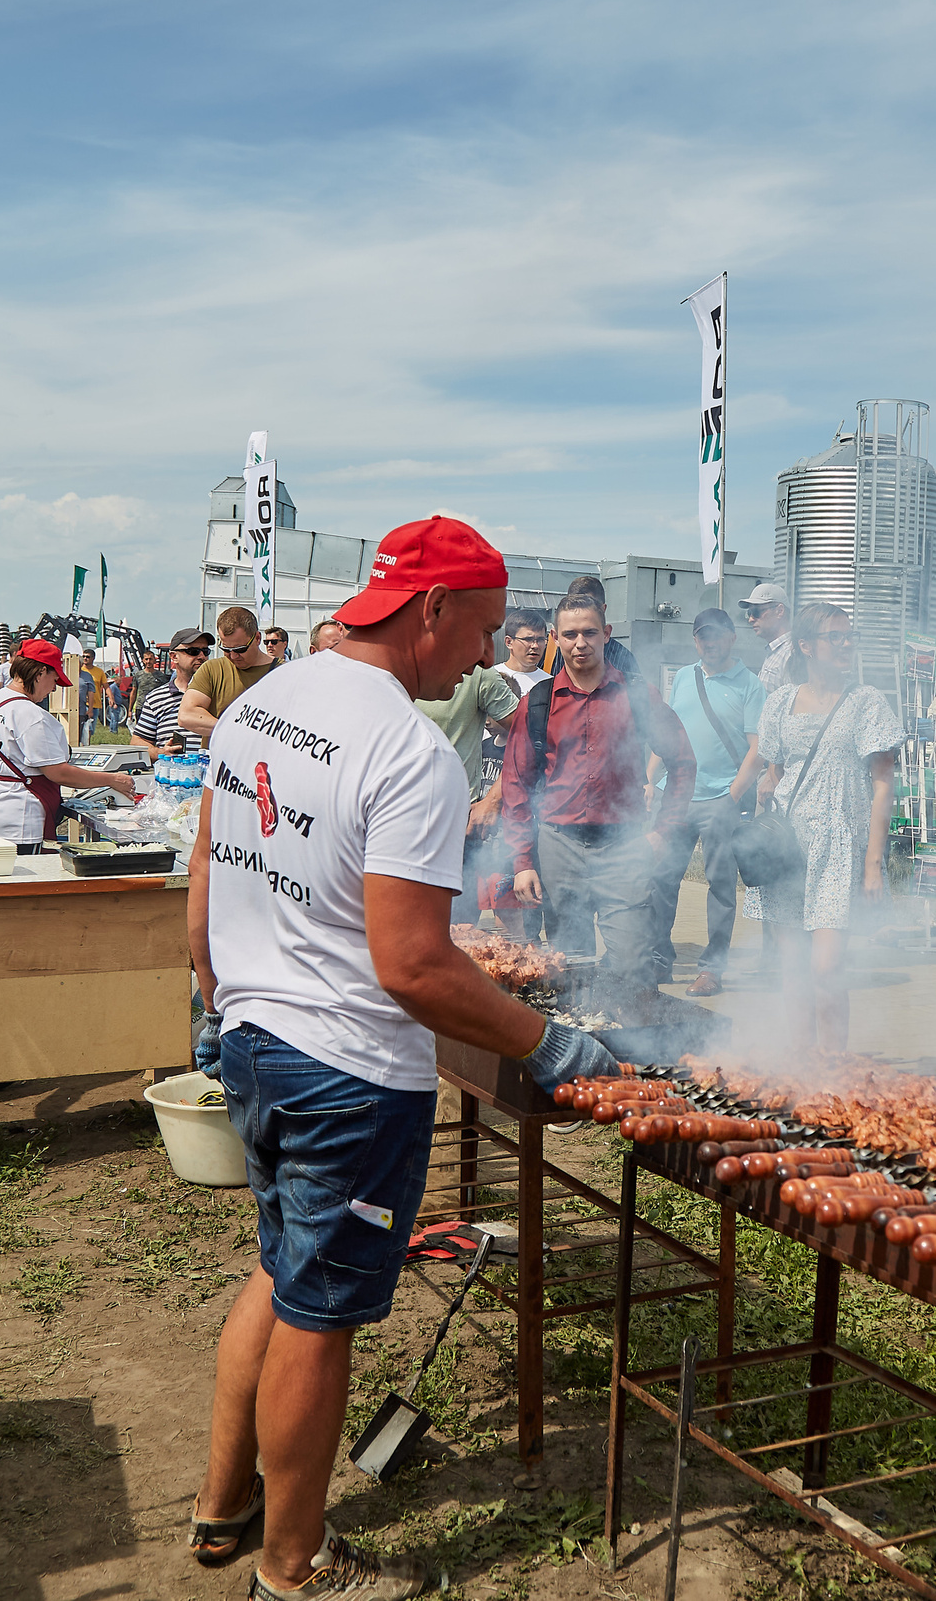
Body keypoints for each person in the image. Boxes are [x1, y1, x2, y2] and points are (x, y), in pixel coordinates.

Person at [183, 517, 614, 1597]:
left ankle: (223, 1503)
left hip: (255, 1042)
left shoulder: (262, 702)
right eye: (481, 629)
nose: (487, 655)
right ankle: (293, 1567)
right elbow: (414, 966)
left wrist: (216, 993)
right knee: (319, 1317)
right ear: (431, 609)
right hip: (346, 1077)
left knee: (281, 1270)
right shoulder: (410, 751)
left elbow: (207, 874)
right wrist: (548, 1040)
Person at [727, 603, 902, 1049]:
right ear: (806, 645)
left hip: (839, 846)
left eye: (849, 636)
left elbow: (884, 786)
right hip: (788, 848)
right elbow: (775, 771)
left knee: (826, 969)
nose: (845, 644)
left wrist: (873, 863)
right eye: (834, 637)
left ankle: (834, 1068)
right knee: (793, 970)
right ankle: (802, 1067)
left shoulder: (866, 702)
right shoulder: (781, 701)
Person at [501, 594, 694, 970]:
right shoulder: (538, 702)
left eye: (589, 633)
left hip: (624, 846)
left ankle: (625, 1008)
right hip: (558, 848)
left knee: (632, 961)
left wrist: (662, 833)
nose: (580, 643)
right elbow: (516, 786)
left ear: (606, 634)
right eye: (570, 634)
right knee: (568, 964)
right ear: (556, 637)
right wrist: (522, 862)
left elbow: (683, 764)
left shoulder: (638, 696)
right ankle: (579, 1012)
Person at [655, 608, 767, 996]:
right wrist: (649, 780)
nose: (710, 642)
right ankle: (658, 959)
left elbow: (758, 749)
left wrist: (731, 798)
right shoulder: (684, 677)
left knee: (720, 887)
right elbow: (667, 737)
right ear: (695, 640)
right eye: (703, 636)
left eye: (717, 635)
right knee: (660, 878)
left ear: (732, 638)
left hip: (721, 799)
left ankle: (712, 969)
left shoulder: (750, 685)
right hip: (676, 796)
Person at [0, 639, 136, 840]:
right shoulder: (31, 715)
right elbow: (59, 773)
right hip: (18, 823)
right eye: (55, 680)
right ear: (40, 673)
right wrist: (112, 780)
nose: (54, 689)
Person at [413, 655, 521, 925]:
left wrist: (494, 799)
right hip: (389, 823)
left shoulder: (477, 673)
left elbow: (530, 734)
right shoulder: (382, 668)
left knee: (457, 931)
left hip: (456, 829)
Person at [480, 609, 552, 935]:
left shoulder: (550, 685)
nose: (535, 646)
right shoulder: (489, 677)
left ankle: (526, 944)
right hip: (486, 788)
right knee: (485, 883)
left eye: (541, 640)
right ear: (509, 642)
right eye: (528, 640)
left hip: (530, 801)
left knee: (520, 886)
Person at [179, 606, 280, 743]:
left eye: (240, 649)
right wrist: (235, 730)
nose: (233, 656)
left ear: (257, 638)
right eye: (226, 649)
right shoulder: (212, 669)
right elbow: (186, 715)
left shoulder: (283, 672)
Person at [134, 629, 213, 762]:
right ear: (174, 656)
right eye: (193, 651)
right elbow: (138, 741)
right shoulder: (156, 699)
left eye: (205, 651)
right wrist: (161, 752)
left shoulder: (220, 695)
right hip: (174, 772)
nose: (201, 656)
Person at [740, 581, 794, 689]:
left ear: (780, 611)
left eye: (756, 612)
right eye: (749, 613)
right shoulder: (776, 651)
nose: (751, 619)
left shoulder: (791, 653)